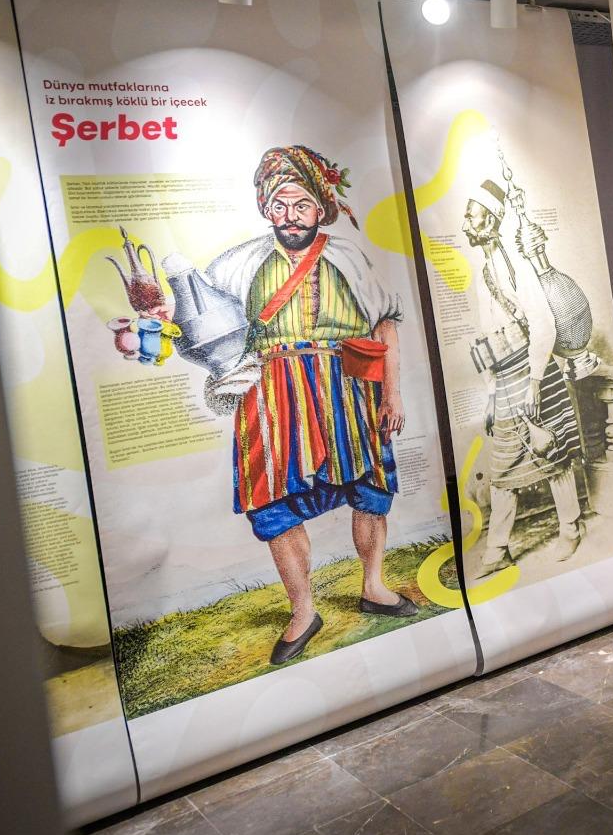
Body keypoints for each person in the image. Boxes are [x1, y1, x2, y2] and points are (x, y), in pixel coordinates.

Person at [197, 146, 418, 665]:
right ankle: (303, 610)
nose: (290, 215)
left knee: (369, 488)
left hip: (348, 388)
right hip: (271, 394)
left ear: (321, 207)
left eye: (301, 205)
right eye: (280, 205)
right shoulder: (239, 264)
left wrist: (392, 394)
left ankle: (373, 586)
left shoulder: (349, 258)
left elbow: (385, 325)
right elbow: (196, 315)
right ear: (266, 208)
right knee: (272, 503)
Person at [462, 179, 585, 574]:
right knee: (503, 469)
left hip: (534, 371)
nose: (466, 223)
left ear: (490, 220)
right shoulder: (484, 270)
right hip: (505, 378)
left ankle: (571, 526)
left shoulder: (516, 264)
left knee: (552, 455)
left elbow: (543, 322)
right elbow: (489, 338)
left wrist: (534, 381)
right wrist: (491, 392)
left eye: (472, 216)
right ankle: (498, 551)